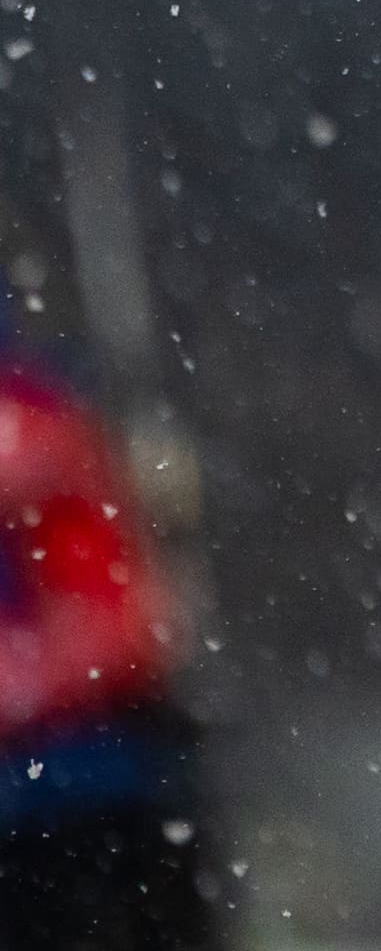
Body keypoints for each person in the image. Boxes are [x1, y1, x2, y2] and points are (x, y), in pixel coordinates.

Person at [0, 332, 219, 949]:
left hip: (85, 795)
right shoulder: (51, 427)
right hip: (98, 792)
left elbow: (120, 624)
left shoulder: (41, 432)